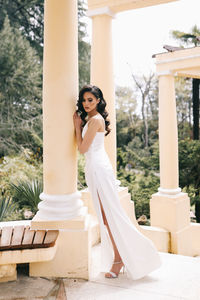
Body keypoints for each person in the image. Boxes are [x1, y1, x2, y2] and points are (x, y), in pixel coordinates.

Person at [73, 84, 161, 279]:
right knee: (106, 217)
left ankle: (120, 259)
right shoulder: (91, 118)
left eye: (91, 100)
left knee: (110, 216)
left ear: (98, 101)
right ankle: (119, 257)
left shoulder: (95, 120)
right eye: (84, 100)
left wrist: (77, 127)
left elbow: (82, 149)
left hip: (98, 169)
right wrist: (80, 124)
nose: (87, 103)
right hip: (95, 167)